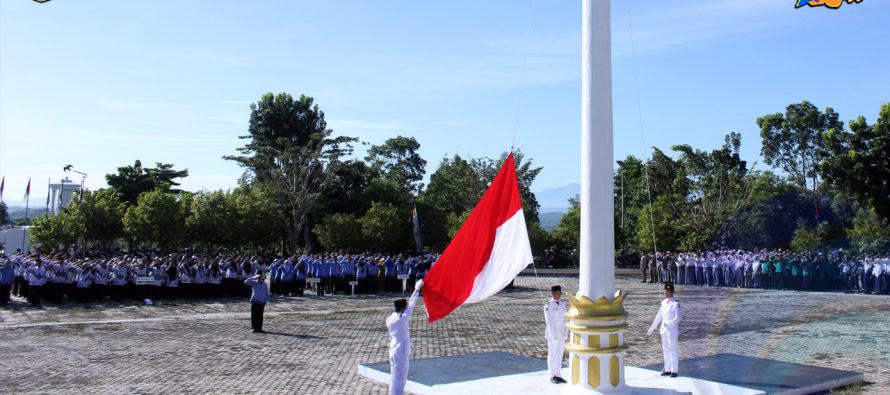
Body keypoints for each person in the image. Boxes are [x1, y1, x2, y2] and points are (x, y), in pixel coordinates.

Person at [386, 279, 423, 395]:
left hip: (393, 347)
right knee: (400, 378)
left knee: (394, 376)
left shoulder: (390, 318)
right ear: (402, 309)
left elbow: (408, 307)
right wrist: (416, 290)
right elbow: (411, 305)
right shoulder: (401, 318)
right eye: (405, 307)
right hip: (401, 349)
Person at [647, 282, 682, 378]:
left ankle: (674, 370)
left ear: (672, 292)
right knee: (665, 350)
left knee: (672, 350)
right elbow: (659, 316)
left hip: (672, 330)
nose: (667, 293)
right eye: (666, 291)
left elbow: (678, 317)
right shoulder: (663, 303)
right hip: (663, 330)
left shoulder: (675, 304)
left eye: (669, 291)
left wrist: (669, 324)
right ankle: (667, 369)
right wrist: (652, 327)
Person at [544, 285, 567, 384]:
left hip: (561, 333)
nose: (559, 295)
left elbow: (566, 319)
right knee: (553, 354)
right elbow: (549, 322)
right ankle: (552, 375)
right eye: (557, 293)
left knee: (559, 354)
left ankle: (558, 374)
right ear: (553, 294)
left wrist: (566, 332)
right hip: (553, 333)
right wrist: (553, 335)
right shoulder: (548, 305)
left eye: (560, 293)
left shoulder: (563, 304)